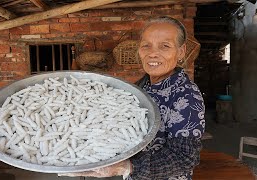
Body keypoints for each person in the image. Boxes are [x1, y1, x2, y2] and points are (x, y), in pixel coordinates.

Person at [60, 16, 205, 180]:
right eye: (146, 46)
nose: (153, 54)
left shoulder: (186, 95)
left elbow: (185, 158)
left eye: (164, 46)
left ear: (180, 52)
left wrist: (127, 166)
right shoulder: (142, 86)